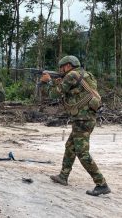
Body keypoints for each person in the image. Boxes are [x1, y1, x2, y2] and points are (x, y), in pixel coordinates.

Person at [40, 55, 111, 196]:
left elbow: (54, 94)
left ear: (68, 65)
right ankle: (63, 176)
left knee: (82, 152)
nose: (60, 69)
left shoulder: (71, 74)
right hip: (85, 118)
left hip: (83, 119)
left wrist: (47, 82)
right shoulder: (85, 74)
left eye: (62, 67)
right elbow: (76, 92)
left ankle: (101, 184)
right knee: (70, 147)